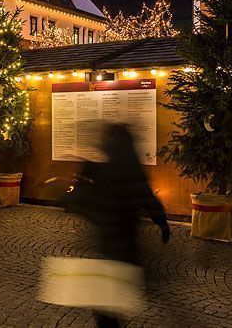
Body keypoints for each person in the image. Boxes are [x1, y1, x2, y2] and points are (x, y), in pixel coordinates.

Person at [64, 123, 170, 327]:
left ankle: (108, 319)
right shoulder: (130, 166)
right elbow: (146, 195)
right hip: (125, 236)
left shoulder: (107, 166)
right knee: (111, 292)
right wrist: (161, 220)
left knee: (107, 296)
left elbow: (84, 192)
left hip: (110, 238)